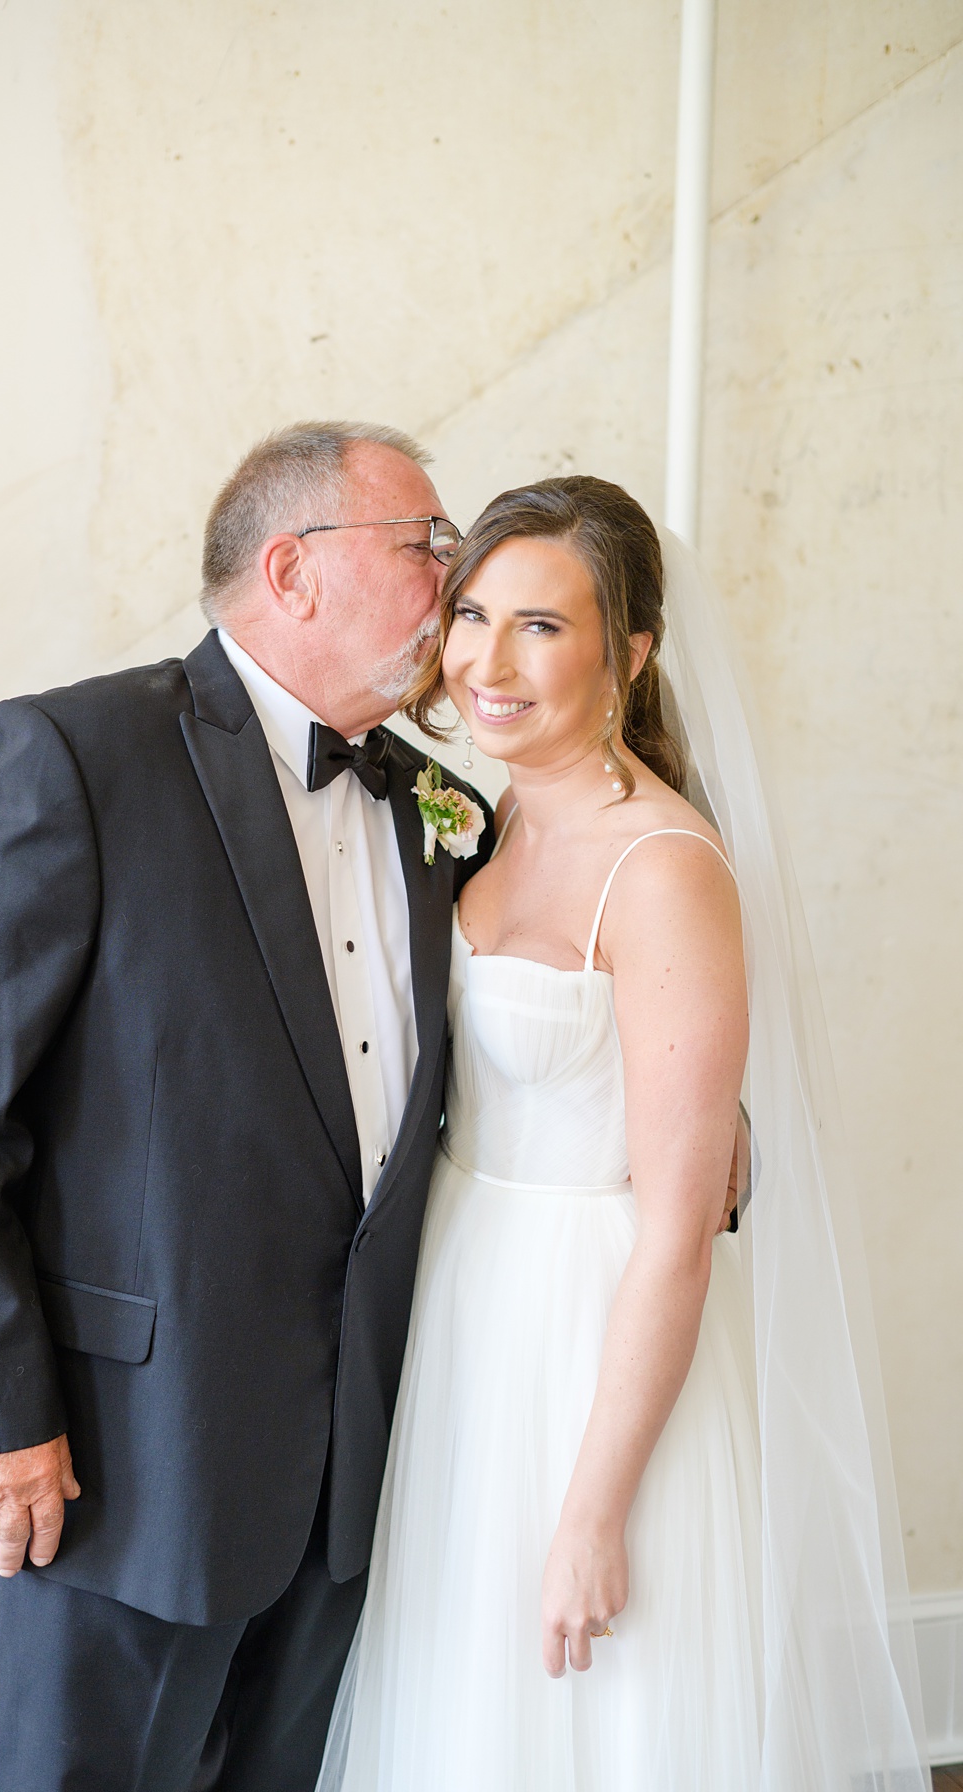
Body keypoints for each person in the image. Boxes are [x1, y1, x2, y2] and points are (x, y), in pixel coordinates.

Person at [0, 422, 491, 1788]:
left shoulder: (439, 808)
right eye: (425, 545)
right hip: (124, 1463)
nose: (456, 579)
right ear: (294, 568)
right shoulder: (73, 755)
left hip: (356, 1471)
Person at [320, 478, 929, 1792]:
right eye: (472, 612)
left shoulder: (662, 869)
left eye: (541, 625)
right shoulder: (483, 825)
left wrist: (593, 1511)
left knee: (600, 1715)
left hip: (596, 1345)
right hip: (466, 1325)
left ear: (631, 652)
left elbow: (675, 1230)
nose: (487, 659)